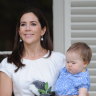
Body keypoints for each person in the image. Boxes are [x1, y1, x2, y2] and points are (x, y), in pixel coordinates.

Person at [0, 8, 66, 96]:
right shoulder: (8, 63)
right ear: (19, 31)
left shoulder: (59, 59)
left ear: (43, 30)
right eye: (23, 24)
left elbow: (72, 90)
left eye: (33, 24)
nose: (27, 28)